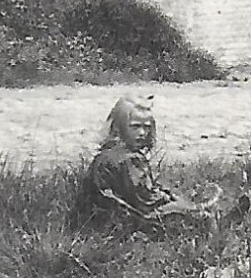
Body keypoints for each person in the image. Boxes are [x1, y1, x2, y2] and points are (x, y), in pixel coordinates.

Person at [81, 96, 211, 231]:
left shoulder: (108, 153)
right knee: (201, 215)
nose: (142, 133)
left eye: (147, 127)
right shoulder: (129, 159)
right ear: (119, 127)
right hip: (124, 220)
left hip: (99, 216)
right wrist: (172, 200)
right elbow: (145, 200)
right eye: (135, 127)